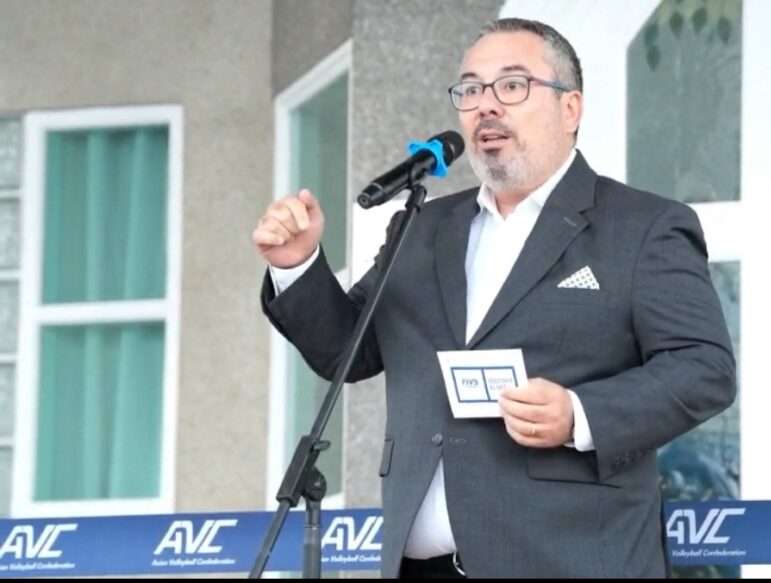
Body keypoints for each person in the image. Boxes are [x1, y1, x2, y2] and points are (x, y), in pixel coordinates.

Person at [253, 18, 736, 578]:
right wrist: (297, 265)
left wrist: (579, 414)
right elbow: (347, 352)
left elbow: (703, 369)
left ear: (570, 108)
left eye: (512, 85)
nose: (486, 105)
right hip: (421, 567)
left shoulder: (642, 226)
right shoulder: (422, 227)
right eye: (471, 89)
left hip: (569, 563)